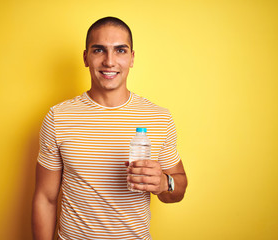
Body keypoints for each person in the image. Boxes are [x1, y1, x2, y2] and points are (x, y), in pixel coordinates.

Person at [32, 16, 188, 240]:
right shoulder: (58, 117)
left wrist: (164, 183)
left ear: (132, 58)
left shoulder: (159, 117)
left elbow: (179, 188)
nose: (110, 61)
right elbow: (45, 198)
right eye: (99, 50)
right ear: (86, 57)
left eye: (120, 50)